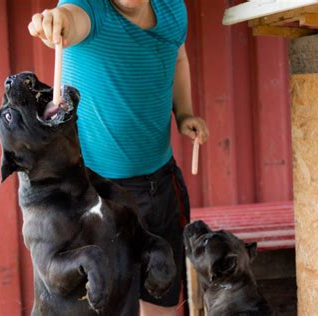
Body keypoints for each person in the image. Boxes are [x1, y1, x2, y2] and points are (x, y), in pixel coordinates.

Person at [28, 0, 209, 315]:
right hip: (98, 196)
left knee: (162, 297)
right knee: (106, 303)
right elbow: (70, 21)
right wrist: (55, 22)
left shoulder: (172, 9)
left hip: (160, 185)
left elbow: (178, 57)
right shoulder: (88, 6)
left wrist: (185, 112)